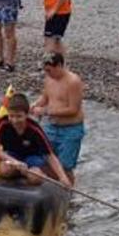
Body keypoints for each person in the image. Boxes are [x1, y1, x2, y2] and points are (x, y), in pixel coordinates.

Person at [0, 93, 72, 187]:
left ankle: (35, 173)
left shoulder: (35, 129)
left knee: (35, 178)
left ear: (26, 115)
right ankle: (19, 172)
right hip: (13, 155)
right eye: (11, 116)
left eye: (19, 116)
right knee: (5, 170)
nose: (14, 120)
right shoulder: (3, 123)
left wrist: (63, 177)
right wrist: (14, 162)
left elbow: (49, 155)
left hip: (32, 157)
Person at [31, 52, 85, 185]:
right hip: (52, 127)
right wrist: (35, 104)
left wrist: (45, 111)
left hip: (70, 129)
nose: (47, 73)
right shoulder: (49, 79)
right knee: (44, 160)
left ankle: (69, 192)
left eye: (49, 70)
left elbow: (73, 109)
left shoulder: (73, 81)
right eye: (45, 70)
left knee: (66, 166)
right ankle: (52, 187)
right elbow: (45, 98)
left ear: (60, 65)